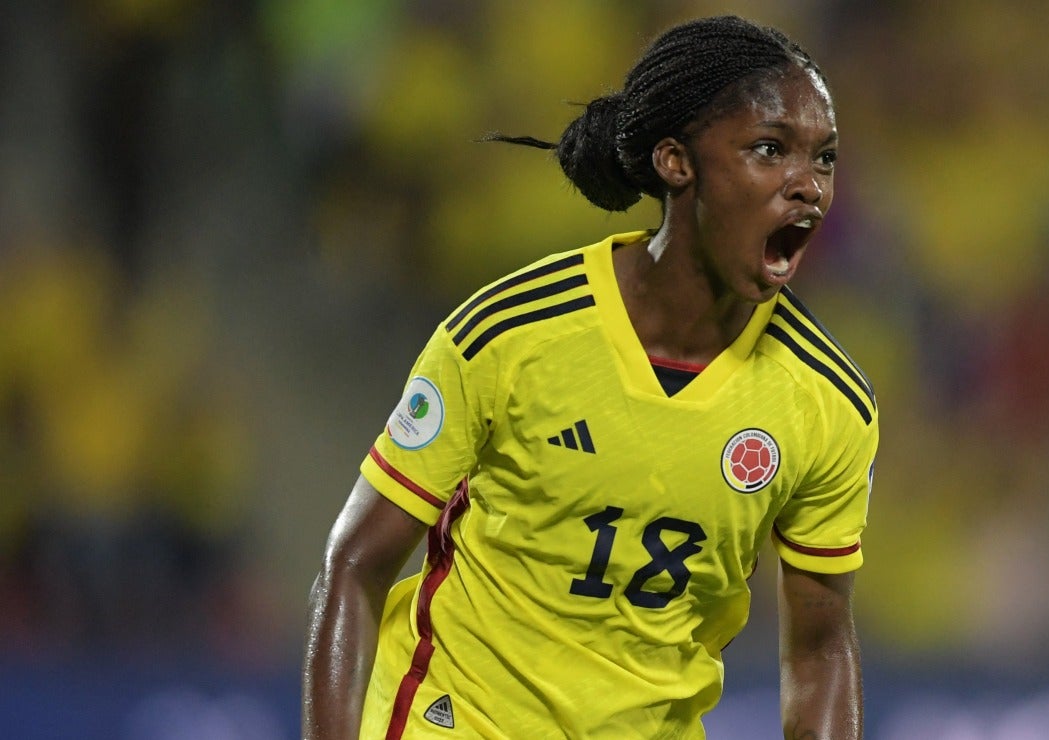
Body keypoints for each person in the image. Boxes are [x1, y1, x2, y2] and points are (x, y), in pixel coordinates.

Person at [303, 14, 878, 740]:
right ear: (677, 162)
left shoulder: (829, 402)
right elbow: (355, 564)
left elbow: (821, 647)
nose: (809, 187)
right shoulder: (511, 334)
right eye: (770, 149)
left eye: (823, 159)